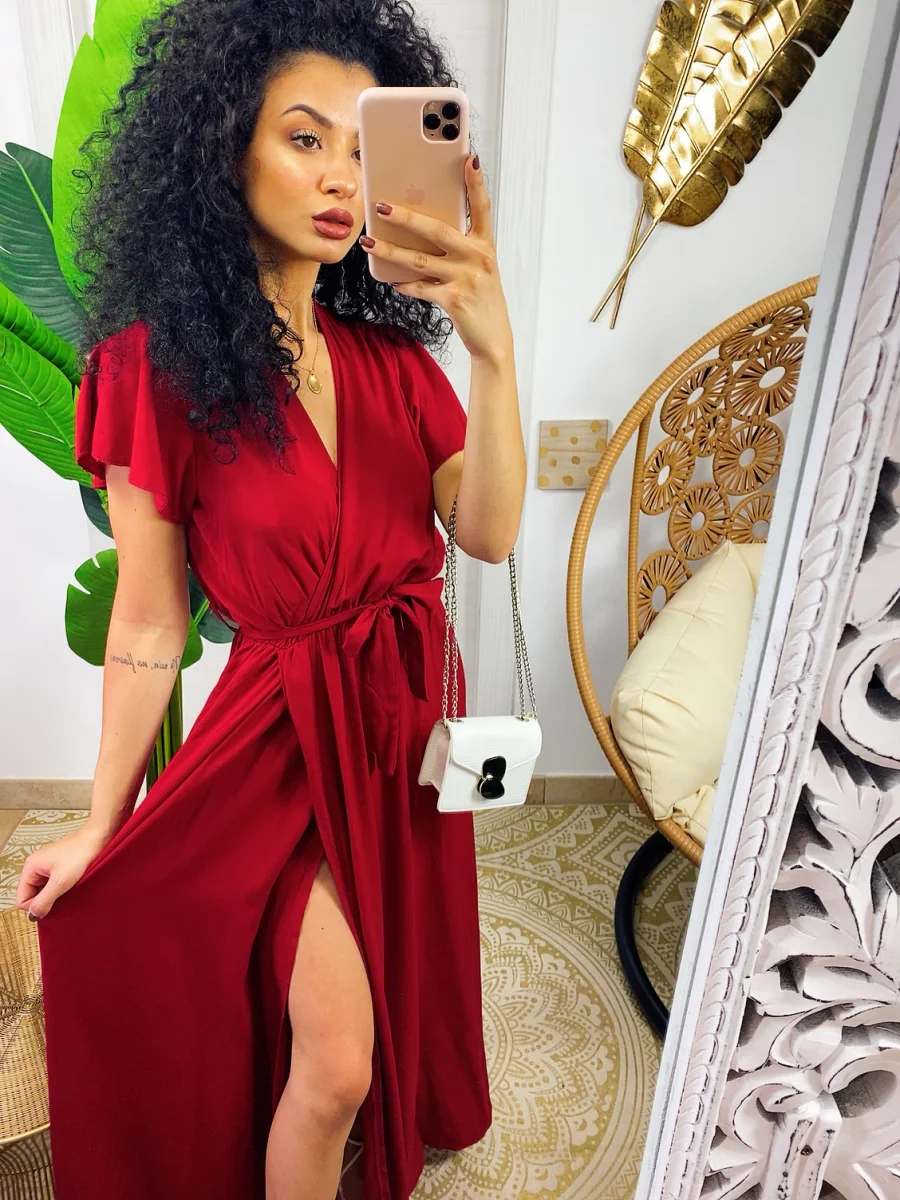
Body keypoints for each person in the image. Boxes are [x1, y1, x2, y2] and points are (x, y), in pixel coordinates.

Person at [16, 2, 526, 1198]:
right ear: (221, 148)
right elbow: (150, 618)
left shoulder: (398, 368)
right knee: (338, 1067)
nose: (343, 178)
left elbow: (489, 533)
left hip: (397, 735)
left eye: (362, 147)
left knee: (361, 1026)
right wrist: (102, 819)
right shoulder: (154, 372)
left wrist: (494, 351)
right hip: (276, 750)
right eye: (305, 139)